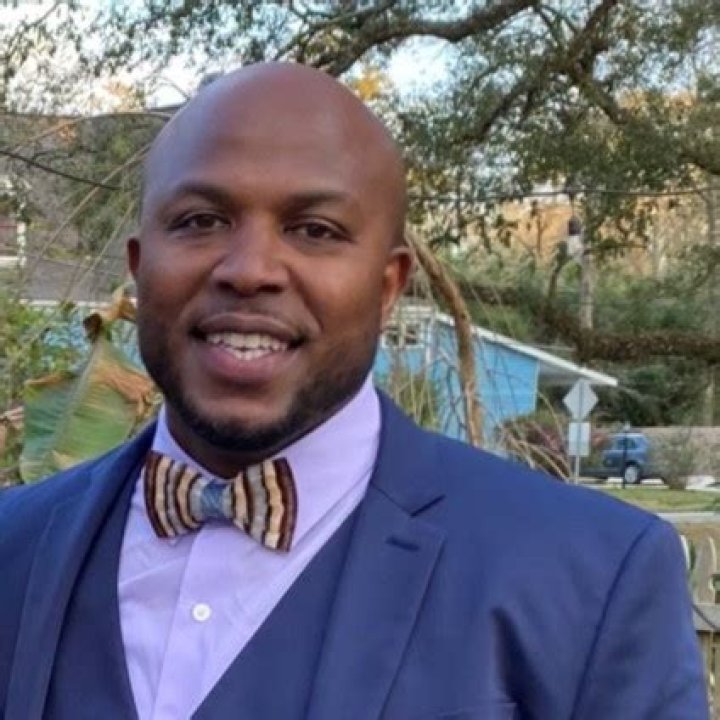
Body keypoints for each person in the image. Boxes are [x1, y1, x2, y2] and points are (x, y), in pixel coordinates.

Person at [0, 63, 707, 720]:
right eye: (200, 222)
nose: (249, 270)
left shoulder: (591, 581)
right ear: (139, 265)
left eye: (315, 230)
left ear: (388, 286)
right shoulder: (15, 547)